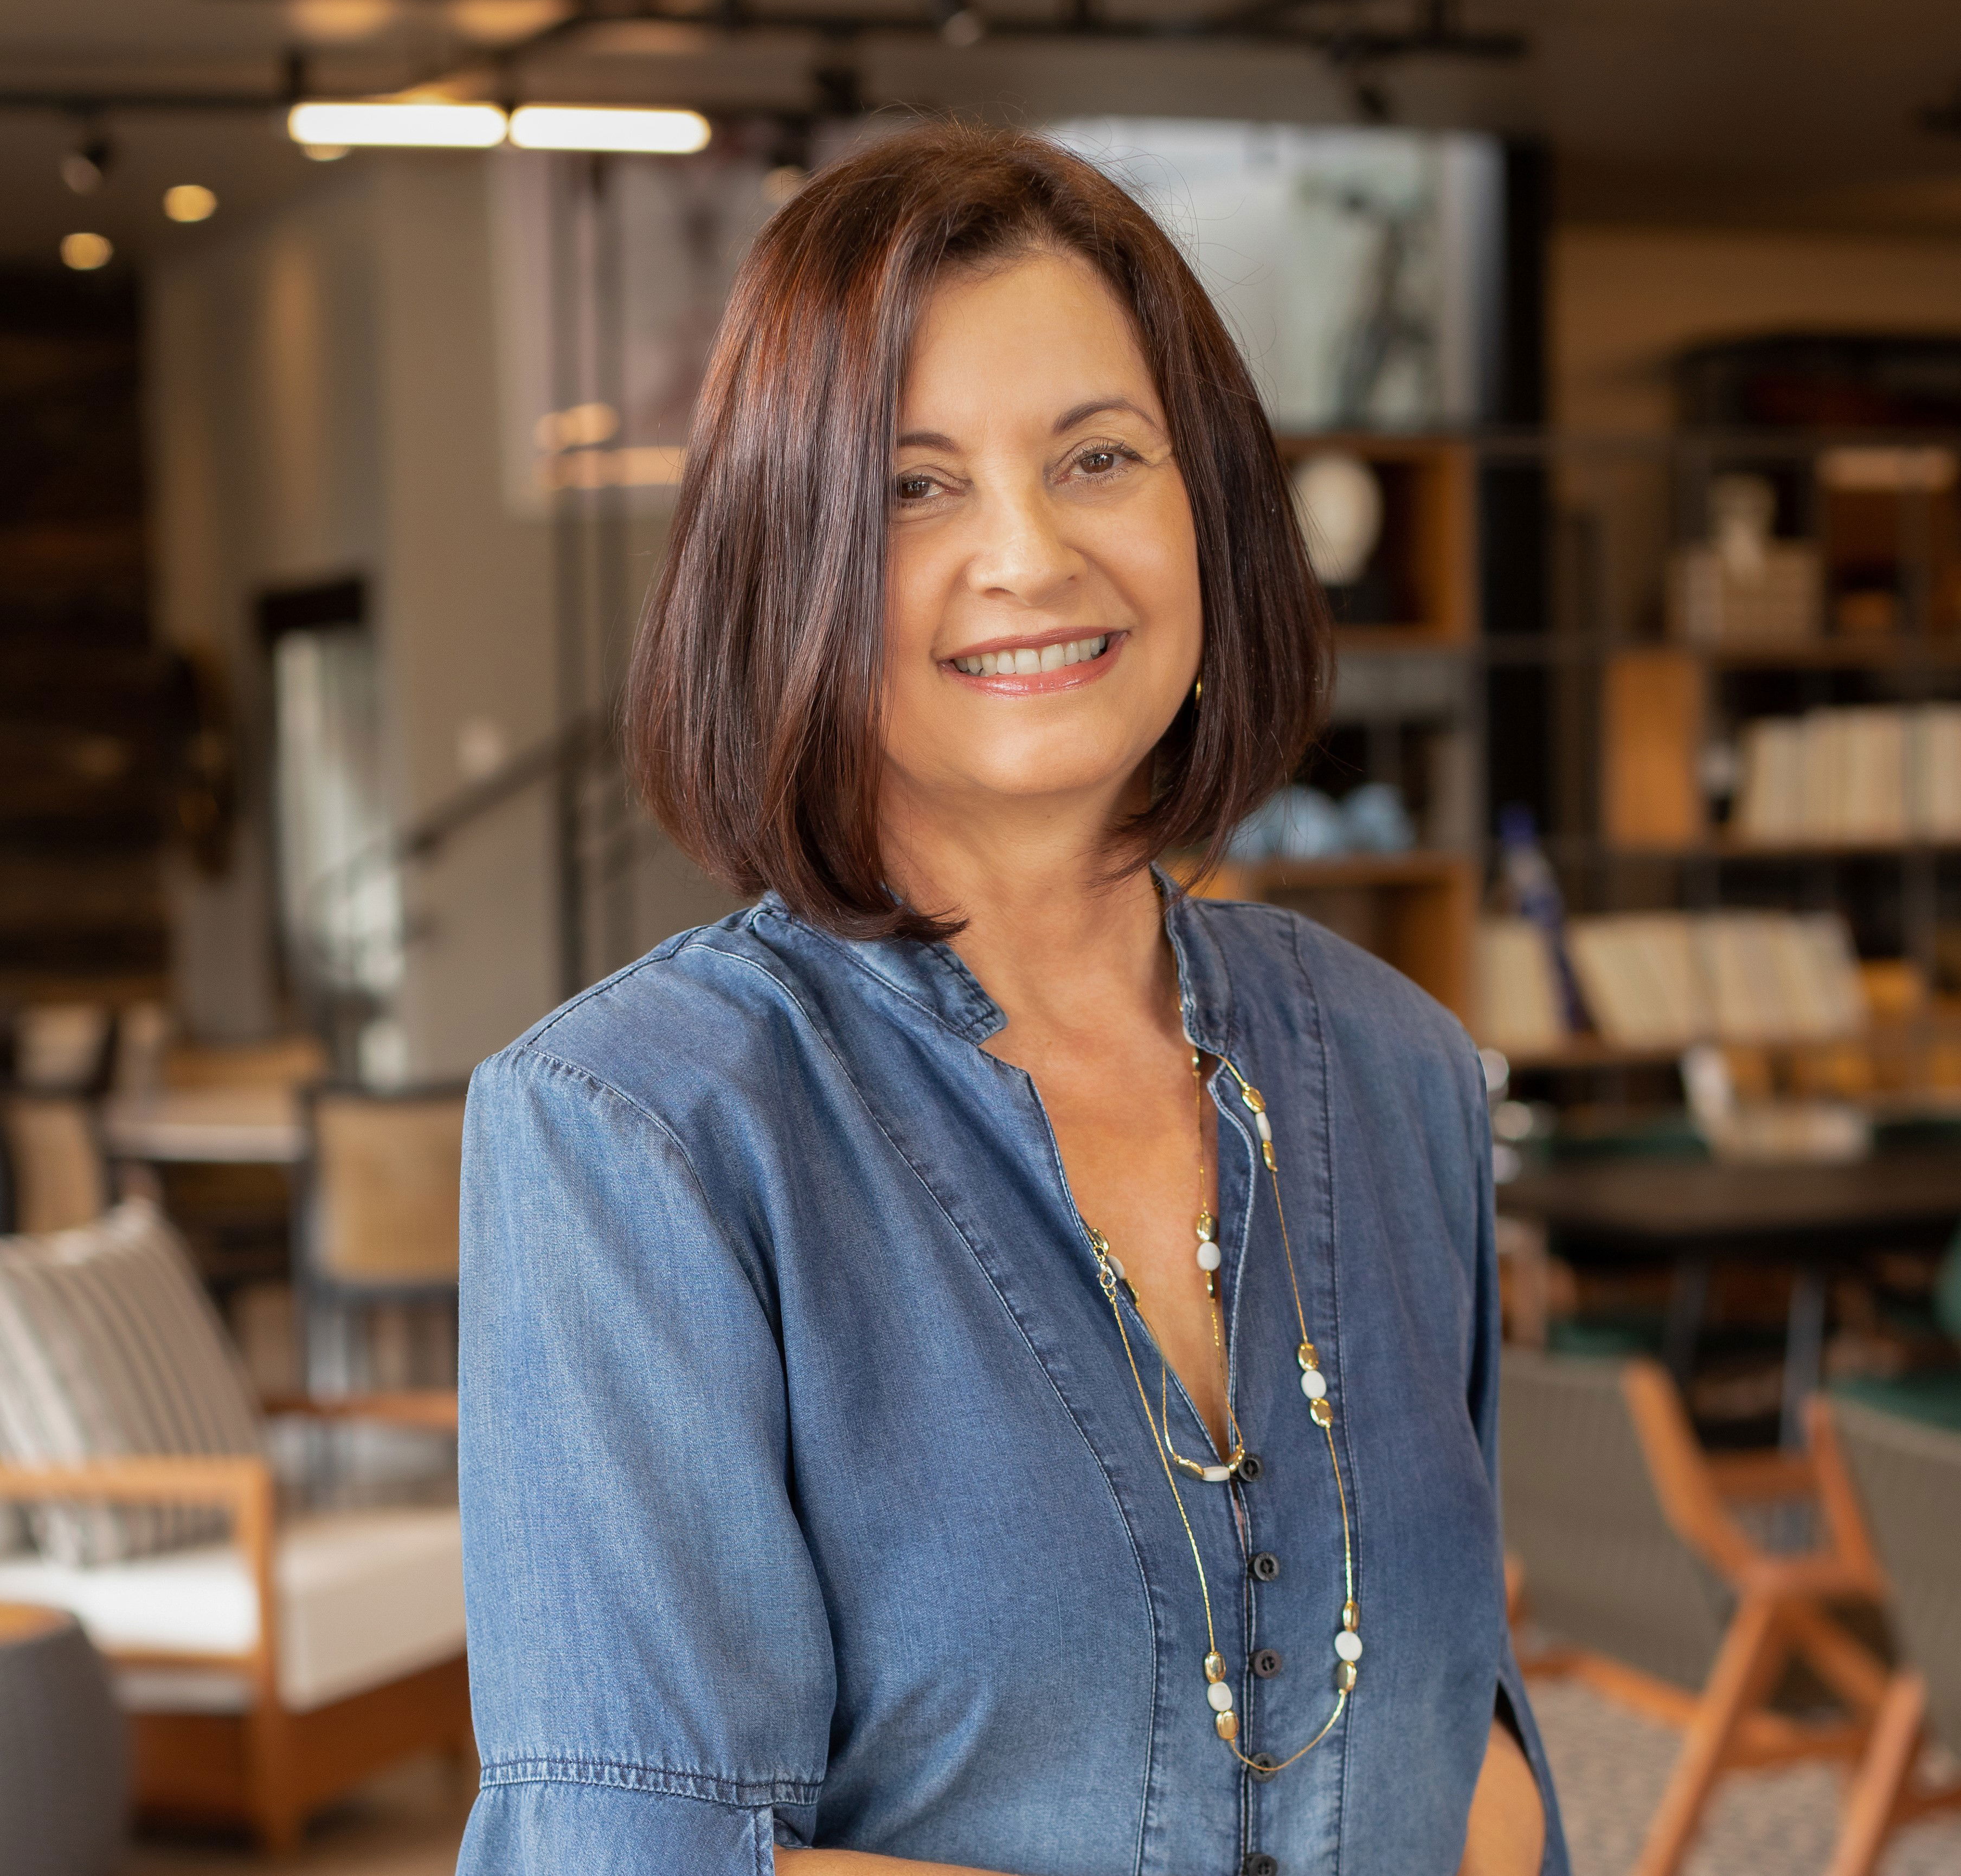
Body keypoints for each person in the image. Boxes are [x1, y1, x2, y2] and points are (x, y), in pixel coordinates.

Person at [457, 123, 1563, 1876]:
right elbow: (637, 1857)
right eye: (914, 486)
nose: (1030, 556)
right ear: (784, 557)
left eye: (1098, 456)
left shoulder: (1393, 1064)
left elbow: (1465, 1745)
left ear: (1207, 504)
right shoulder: (635, 1131)